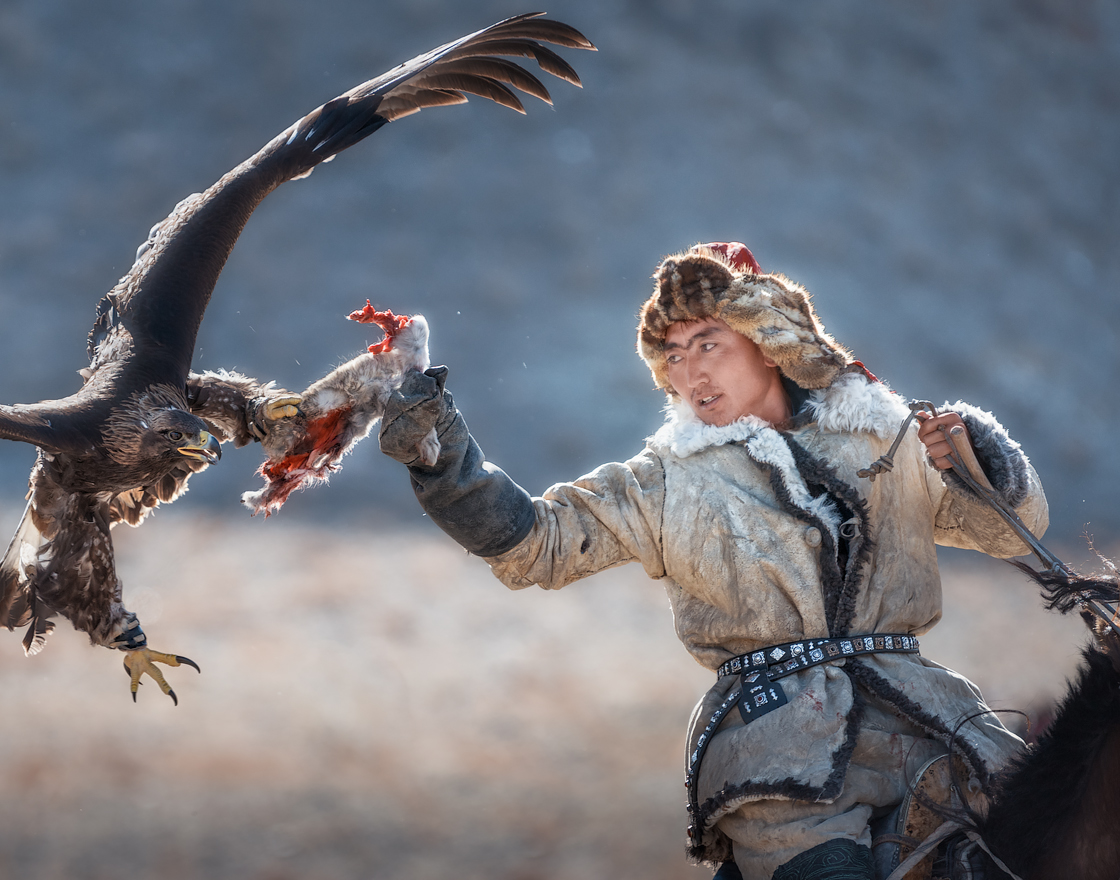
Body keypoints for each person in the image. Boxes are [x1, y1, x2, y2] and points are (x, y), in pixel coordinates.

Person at [377, 242, 1048, 880]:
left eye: (708, 344)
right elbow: (536, 543)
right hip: (781, 755)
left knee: (1054, 834)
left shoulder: (886, 434)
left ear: (770, 345)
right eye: (673, 353)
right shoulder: (668, 478)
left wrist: (975, 460)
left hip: (928, 722)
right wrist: (438, 453)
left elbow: (1009, 534)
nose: (689, 371)